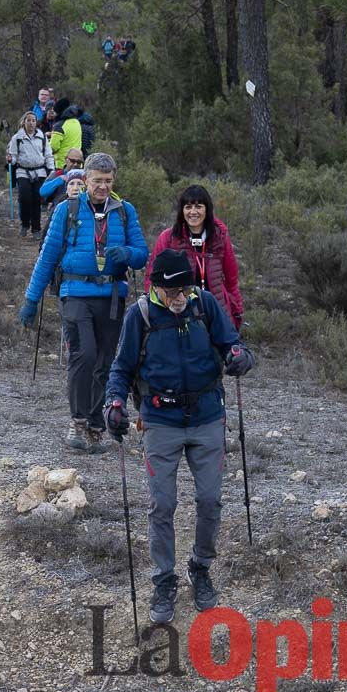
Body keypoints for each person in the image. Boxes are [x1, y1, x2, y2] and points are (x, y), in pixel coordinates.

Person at [104, 249, 255, 624]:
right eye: (172, 292)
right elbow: (120, 369)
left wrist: (240, 357)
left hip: (206, 416)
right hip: (160, 420)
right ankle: (164, 579)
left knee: (210, 499)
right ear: (155, 287)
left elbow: (234, 345)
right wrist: (114, 405)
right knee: (162, 505)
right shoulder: (139, 316)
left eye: (185, 289)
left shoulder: (204, 305)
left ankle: (200, 567)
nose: (180, 298)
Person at [19, 153, 148, 453]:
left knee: (105, 362)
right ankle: (76, 422)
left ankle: (95, 426)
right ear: (86, 179)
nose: (102, 186)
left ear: (113, 180)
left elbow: (143, 253)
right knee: (84, 355)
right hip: (75, 293)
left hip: (112, 296)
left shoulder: (125, 211)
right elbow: (48, 257)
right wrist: (31, 299)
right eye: (96, 181)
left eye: (107, 181)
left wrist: (128, 254)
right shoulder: (68, 209)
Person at [145, 185, 244, 330]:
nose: (193, 212)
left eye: (198, 206)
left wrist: (237, 312)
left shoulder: (220, 237)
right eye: (188, 207)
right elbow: (151, 279)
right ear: (182, 210)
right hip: (179, 313)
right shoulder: (168, 238)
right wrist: (157, 310)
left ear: (207, 209)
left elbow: (231, 280)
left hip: (216, 311)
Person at [7, 111, 55, 239]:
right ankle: (24, 223)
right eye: (28, 120)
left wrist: (51, 169)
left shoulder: (42, 137)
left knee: (36, 200)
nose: (31, 123)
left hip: (40, 171)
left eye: (33, 120)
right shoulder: (17, 138)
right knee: (25, 197)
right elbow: (14, 156)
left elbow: (48, 155)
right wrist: (11, 160)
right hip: (22, 171)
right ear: (24, 122)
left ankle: (36, 228)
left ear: (36, 122)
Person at [49, 98, 83, 171]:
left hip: (62, 165)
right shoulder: (76, 122)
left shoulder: (59, 126)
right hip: (77, 163)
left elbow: (53, 147)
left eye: (55, 112)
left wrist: (45, 142)